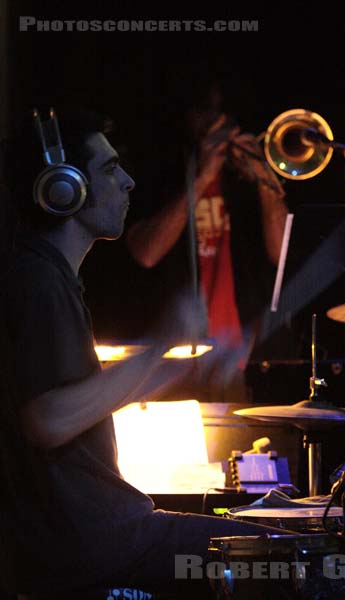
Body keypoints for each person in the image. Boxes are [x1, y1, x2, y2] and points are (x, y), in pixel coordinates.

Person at [0, 107, 291, 599]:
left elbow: (77, 400)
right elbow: (46, 420)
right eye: (111, 169)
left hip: (102, 534)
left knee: (275, 549)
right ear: (63, 187)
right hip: (95, 543)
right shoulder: (38, 281)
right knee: (295, 560)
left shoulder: (46, 276)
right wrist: (162, 340)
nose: (129, 182)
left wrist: (173, 359)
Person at [125, 83, 288, 403]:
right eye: (205, 110)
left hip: (244, 360)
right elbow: (146, 253)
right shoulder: (163, 175)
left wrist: (264, 180)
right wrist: (200, 178)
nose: (217, 122)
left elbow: (281, 253)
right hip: (173, 363)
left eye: (223, 112)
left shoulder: (243, 180)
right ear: (186, 117)